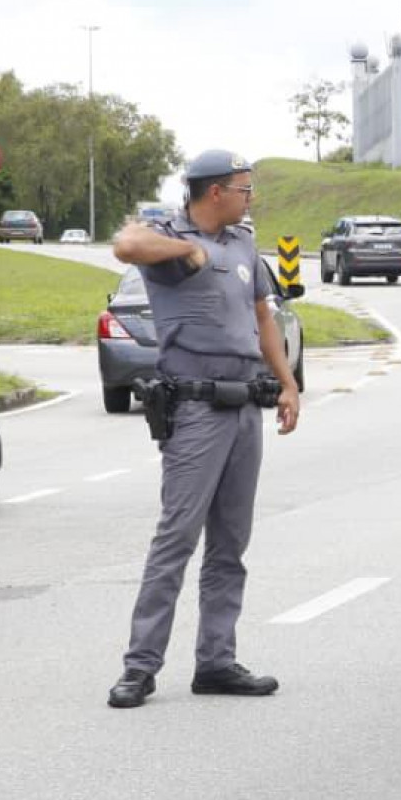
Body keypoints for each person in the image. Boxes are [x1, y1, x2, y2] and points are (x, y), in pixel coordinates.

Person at [106, 150, 301, 708]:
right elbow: (127, 245)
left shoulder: (243, 242)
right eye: (244, 188)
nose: (249, 197)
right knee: (177, 539)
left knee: (230, 544)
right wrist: (187, 249)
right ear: (214, 192)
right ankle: (140, 667)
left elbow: (263, 315)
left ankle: (216, 660)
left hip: (245, 406)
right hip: (194, 408)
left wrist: (286, 383)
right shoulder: (170, 234)